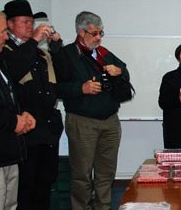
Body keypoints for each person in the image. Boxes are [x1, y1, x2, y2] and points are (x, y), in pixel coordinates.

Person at [56, 11, 131, 210]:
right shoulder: (66, 55)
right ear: (81, 33)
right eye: (94, 33)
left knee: (106, 173)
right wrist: (81, 88)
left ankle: (103, 207)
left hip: (110, 121)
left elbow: (125, 73)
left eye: (101, 33)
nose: (98, 37)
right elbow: (55, 88)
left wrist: (119, 71)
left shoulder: (104, 53)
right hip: (82, 121)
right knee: (82, 174)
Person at [0, 0, 64, 209]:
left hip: (47, 129)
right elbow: (14, 70)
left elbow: (67, 75)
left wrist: (56, 48)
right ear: (10, 24)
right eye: (25, 22)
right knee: (24, 189)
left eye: (31, 22)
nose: (30, 27)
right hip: (24, 133)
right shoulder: (3, 50)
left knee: (44, 185)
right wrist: (34, 40)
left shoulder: (40, 52)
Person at [0, 6, 36, 210]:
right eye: (3, 31)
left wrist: (22, 115)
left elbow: (7, 99)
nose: (6, 38)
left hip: (8, 155)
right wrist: (13, 122)